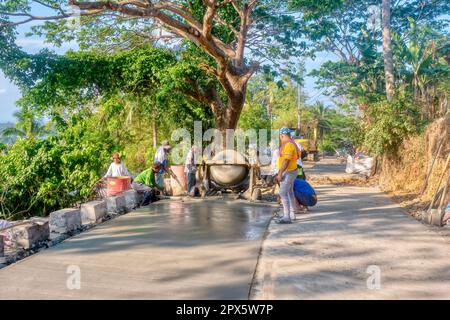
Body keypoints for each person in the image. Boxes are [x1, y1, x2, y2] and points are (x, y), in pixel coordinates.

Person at [275, 127, 301, 224]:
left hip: (288, 172)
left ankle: (287, 217)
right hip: (291, 171)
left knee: (282, 193)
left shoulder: (289, 144)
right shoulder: (291, 143)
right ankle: (292, 214)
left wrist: (280, 173)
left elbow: (286, 161)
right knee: (289, 192)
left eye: (280, 136)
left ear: (282, 135)